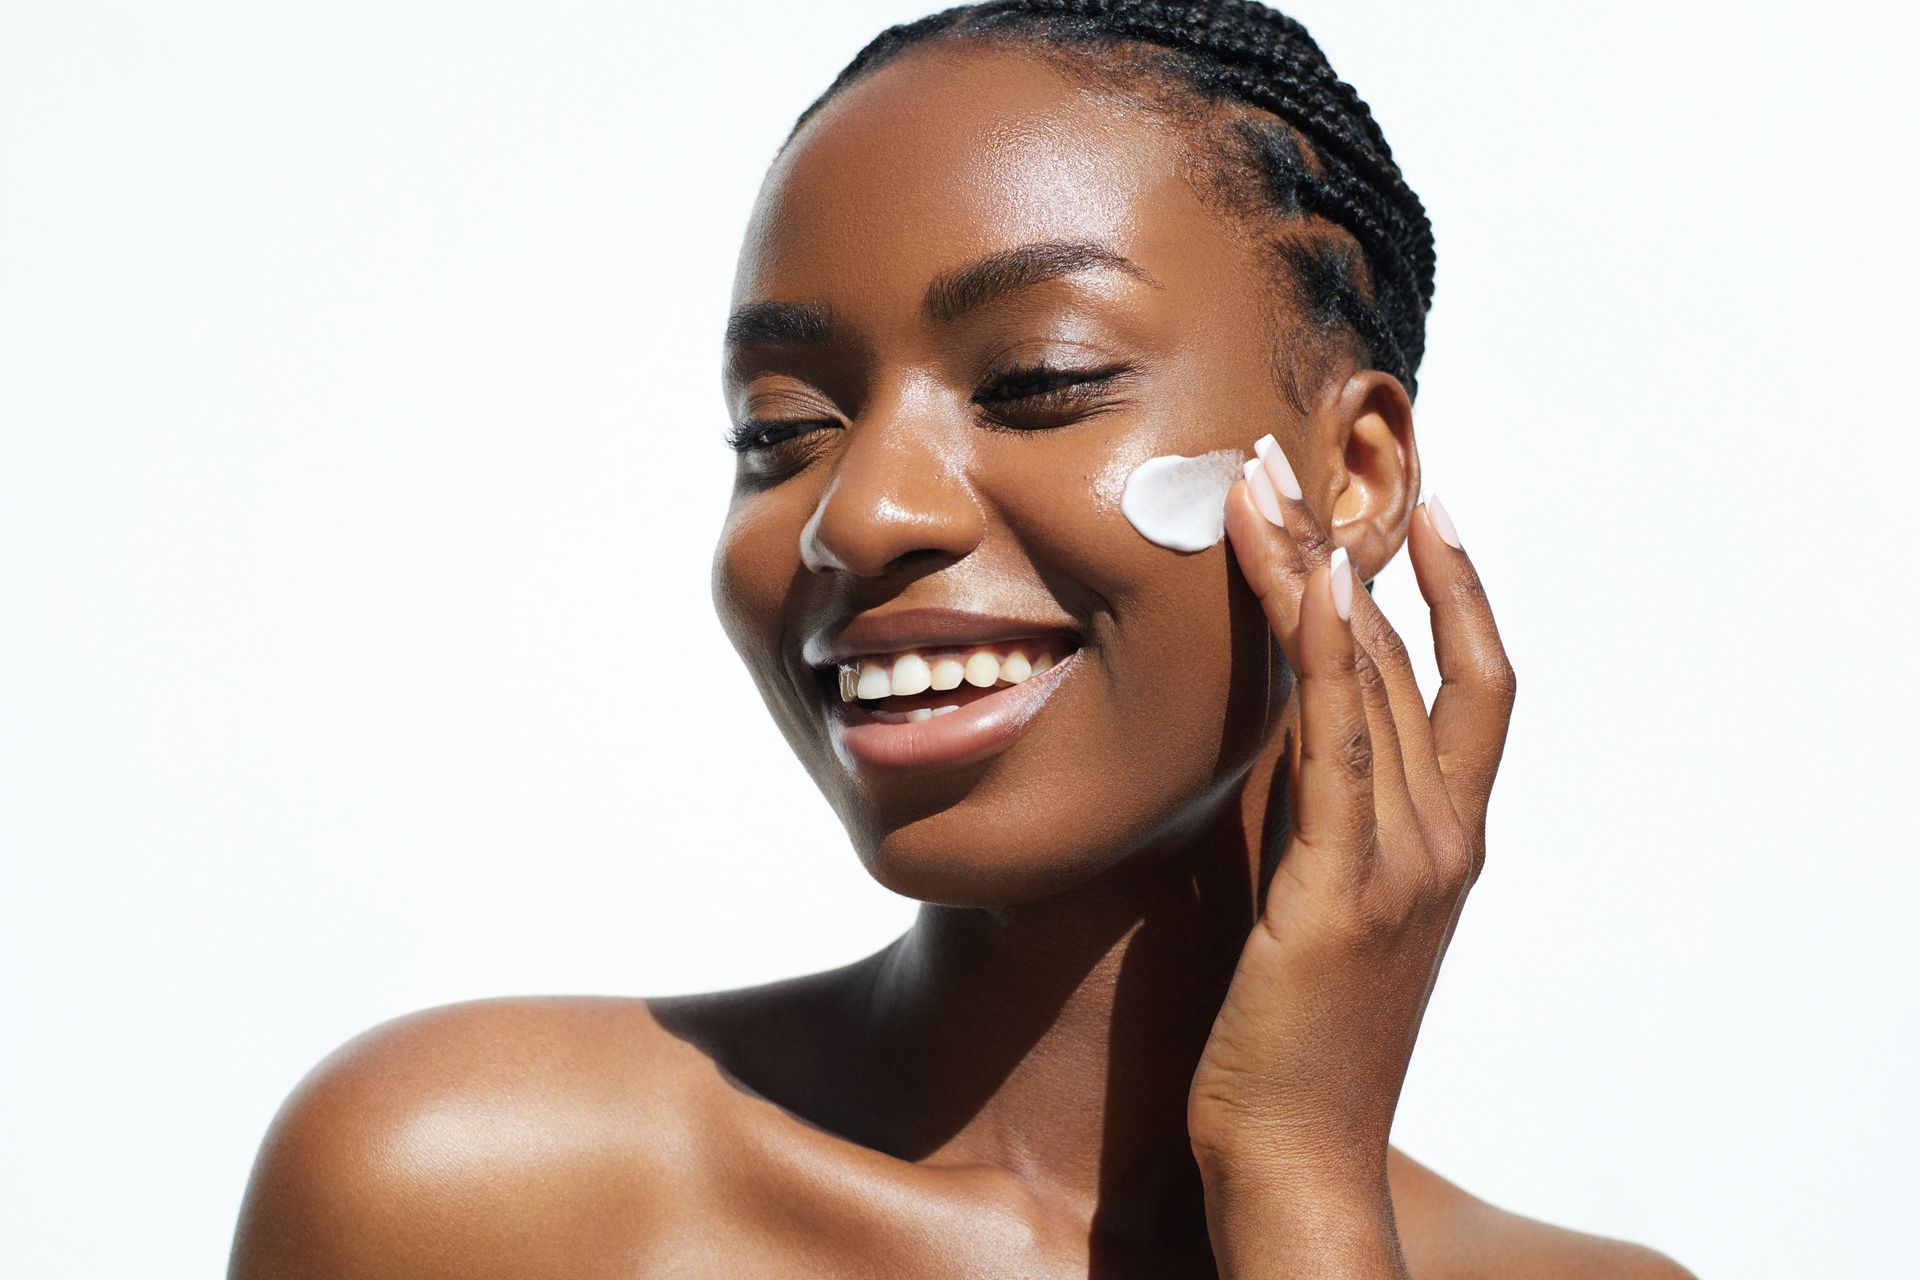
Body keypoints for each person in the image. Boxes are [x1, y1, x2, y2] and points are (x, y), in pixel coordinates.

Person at [229, 2, 1694, 1275]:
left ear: (1356, 476)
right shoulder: (460, 1194)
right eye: (781, 429)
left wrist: (1298, 1181)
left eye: (1039, 382)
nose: (857, 515)